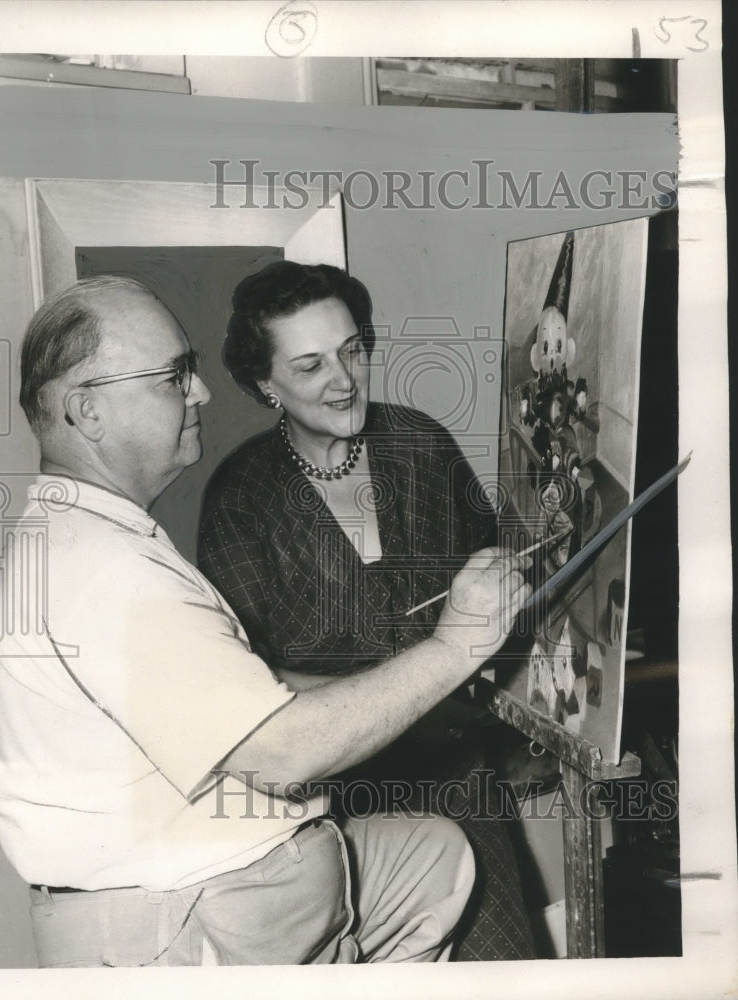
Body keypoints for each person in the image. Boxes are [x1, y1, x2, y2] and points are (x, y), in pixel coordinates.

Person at [0, 275, 530, 968]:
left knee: (439, 859)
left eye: (352, 351)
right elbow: (280, 752)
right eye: (173, 376)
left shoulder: (93, 539)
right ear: (88, 411)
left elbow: (246, 691)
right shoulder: (109, 566)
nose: (199, 392)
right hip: (190, 913)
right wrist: (455, 646)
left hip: (282, 864)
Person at [197, 261, 536, 960]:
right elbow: (243, 686)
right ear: (265, 383)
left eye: (352, 350)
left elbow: (499, 598)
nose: (343, 379)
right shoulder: (242, 494)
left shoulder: (421, 446)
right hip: (335, 813)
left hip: (458, 782)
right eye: (310, 364)